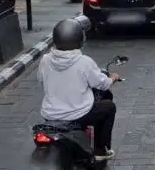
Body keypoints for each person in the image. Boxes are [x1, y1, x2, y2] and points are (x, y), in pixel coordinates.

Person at [37, 18, 121, 160]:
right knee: (109, 107)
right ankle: (101, 150)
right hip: (77, 115)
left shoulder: (45, 60)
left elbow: (41, 80)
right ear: (79, 40)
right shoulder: (84, 62)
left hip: (50, 116)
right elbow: (102, 84)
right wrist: (112, 78)